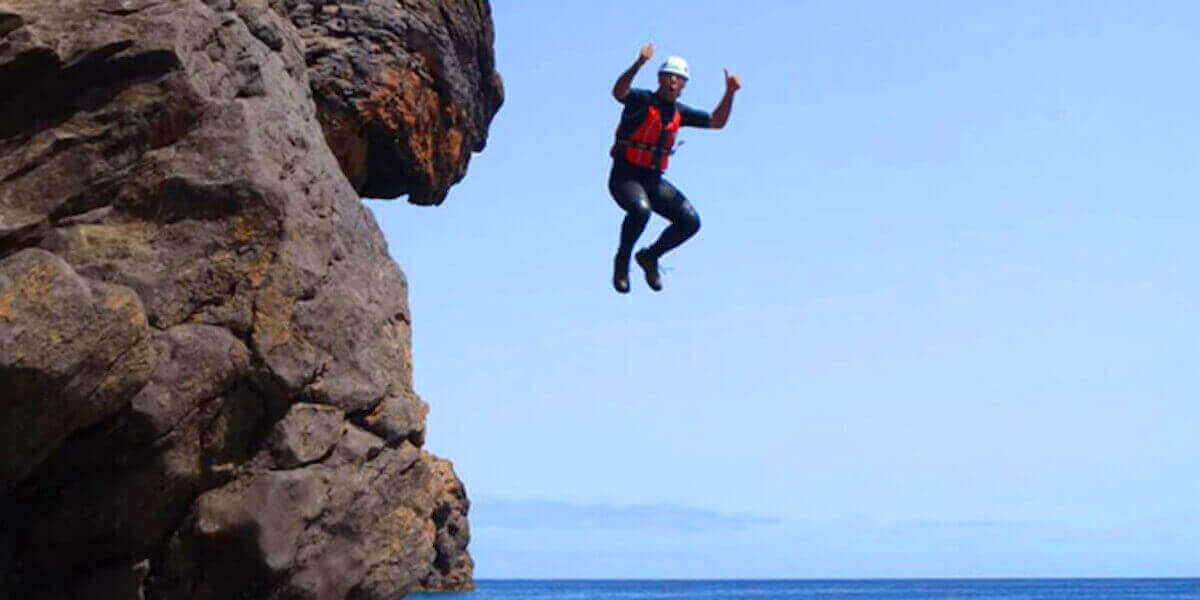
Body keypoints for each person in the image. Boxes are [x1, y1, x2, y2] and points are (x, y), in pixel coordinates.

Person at [608, 43, 741, 293]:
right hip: (624, 176)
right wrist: (639, 63)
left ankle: (649, 257)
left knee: (690, 221)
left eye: (679, 80)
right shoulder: (641, 100)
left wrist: (730, 93)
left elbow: (717, 122)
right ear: (660, 78)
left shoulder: (679, 113)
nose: (673, 82)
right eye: (669, 77)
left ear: (683, 86)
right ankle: (622, 261)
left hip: (652, 179)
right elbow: (618, 92)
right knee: (641, 211)